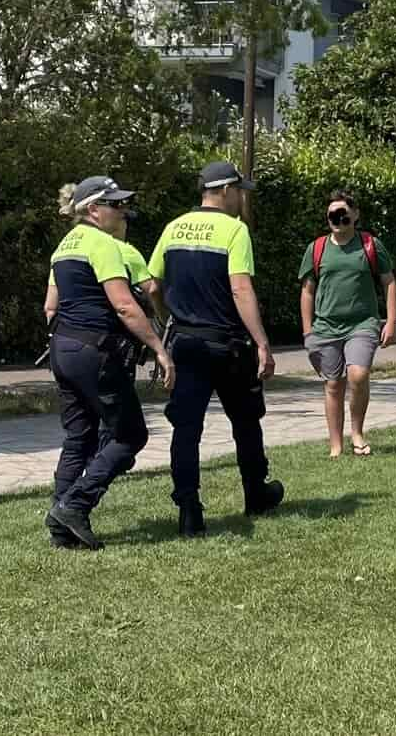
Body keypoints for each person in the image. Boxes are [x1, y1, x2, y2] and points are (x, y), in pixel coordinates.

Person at [149, 160, 283, 538]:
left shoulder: (173, 228)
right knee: (245, 421)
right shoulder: (235, 231)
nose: (243, 199)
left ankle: (189, 510)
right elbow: (241, 289)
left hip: (186, 344)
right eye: (240, 191)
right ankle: (256, 493)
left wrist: (165, 320)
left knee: (186, 429)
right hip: (228, 345)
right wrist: (262, 342)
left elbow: (153, 286)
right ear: (225, 191)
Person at [43, 176, 174, 550]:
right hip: (95, 353)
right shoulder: (103, 244)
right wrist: (160, 349)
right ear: (93, 210)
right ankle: (75, 505)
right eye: (115, 204)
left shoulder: (64, 247)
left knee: (79, 437)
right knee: (131, 435)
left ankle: (60, 526)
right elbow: (123, 304)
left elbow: (50, 306)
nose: (123, 210)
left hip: (63, 349)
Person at [299, 190, 396, 458]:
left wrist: (390, 322)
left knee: (358, 374)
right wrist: (308, 332)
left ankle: (357, 433)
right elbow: (307, 291)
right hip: (326, 327)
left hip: (362, 324)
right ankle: (335, 446)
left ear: (355, 216)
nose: (337, 218)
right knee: (333, 383)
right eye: (333, 214)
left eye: (343, 213)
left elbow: (388, 282)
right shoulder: (317, 248)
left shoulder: (370, 245)